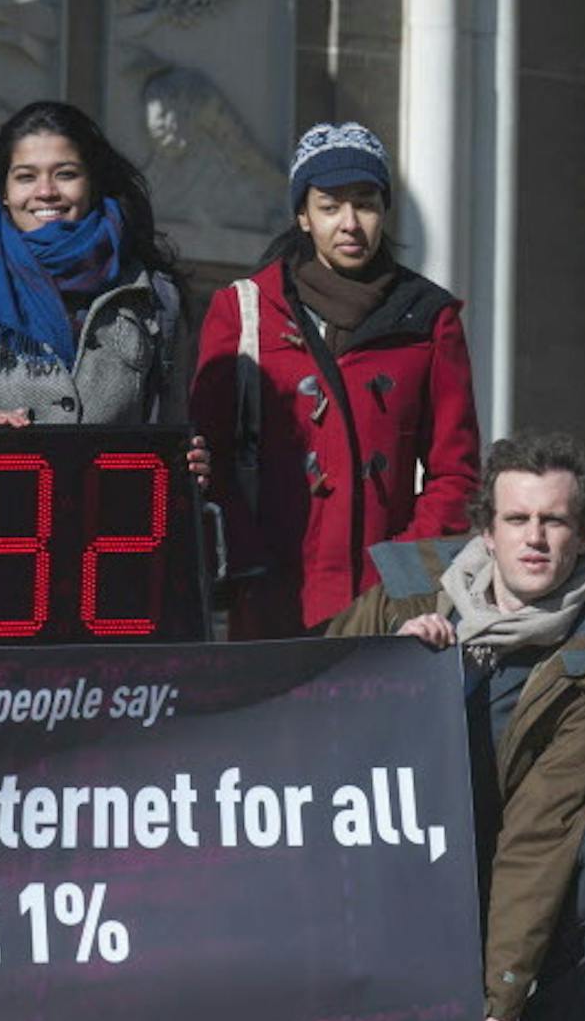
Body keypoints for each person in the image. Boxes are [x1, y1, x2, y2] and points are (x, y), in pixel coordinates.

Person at [329, 432, 585, 1021]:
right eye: (518, 519)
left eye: (555, 520)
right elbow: (304, 698)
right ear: (487, 532)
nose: (535, 537)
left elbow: (538, 844)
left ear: (584, 539)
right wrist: (385, 664)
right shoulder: (408, 594)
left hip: (496, 884)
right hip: (383, 875)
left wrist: (503, 1009)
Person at [191, 121, 481, 637]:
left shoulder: (430, 318)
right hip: (269, 601)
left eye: (366, 202)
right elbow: (208, 458)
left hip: (385, 609)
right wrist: (247, 566)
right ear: (303, 215)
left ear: (384, 208)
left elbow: (455, 475)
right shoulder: (244, 309)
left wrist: (404, 582)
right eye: (330, 206)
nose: (350, 223)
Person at [0, 101, 186, 429]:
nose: (46, 192)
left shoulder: (150, 296)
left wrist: (190, 463)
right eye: (26, 177)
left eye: (66, 174)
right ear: (4, 191)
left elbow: (171, 433)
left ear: (92, 183)